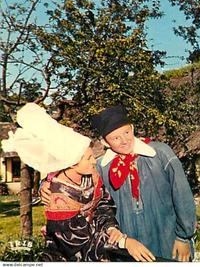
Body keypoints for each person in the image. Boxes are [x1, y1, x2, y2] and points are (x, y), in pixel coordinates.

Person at [2, 103, 155, 262]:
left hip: (97, 244)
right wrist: (123, 242)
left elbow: (103, 202)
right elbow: (78, 240)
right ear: (72, 162)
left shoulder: (90, 175)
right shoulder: (58, 198)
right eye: (88, 158)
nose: (94, 161)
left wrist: (110, 228)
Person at [42, 105, 196, 262]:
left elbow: (182, 195)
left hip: (167, 238)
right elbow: (71, 178)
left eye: (127, 132)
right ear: (105, 142)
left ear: (133, 128)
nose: (124, 141)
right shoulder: (100, 166)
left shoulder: (161, 153)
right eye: (115, 138)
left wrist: (184, 237)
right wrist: (47, 182)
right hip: (126, 249)